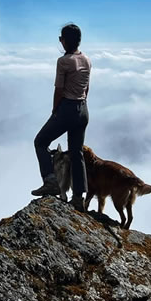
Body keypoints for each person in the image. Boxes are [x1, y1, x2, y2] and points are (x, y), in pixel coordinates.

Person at [31, 23, 91, 210]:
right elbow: (87, 88)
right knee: (76, 153)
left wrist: (55, 111)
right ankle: (79, 198)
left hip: (67, 108)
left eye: (61, 38)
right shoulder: (87, 60)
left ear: (64, 41)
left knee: (40, 141)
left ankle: (51, 182)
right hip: (83, 110)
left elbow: (59, 90)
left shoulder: (63, 61)